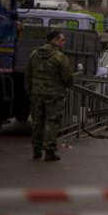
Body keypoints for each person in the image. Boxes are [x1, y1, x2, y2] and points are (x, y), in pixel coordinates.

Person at [26, 29, 75, 161]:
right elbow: (68, 77)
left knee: (37, 121)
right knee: (52, 122)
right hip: (54, 95)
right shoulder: (60, 57)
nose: (64, 43)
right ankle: (49, 151)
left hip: (37, 93)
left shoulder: (34, 54)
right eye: (62, 40)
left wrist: (30, 90)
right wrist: (67, 85)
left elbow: (28, 74)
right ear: (55, 41)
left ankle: (36, 150)